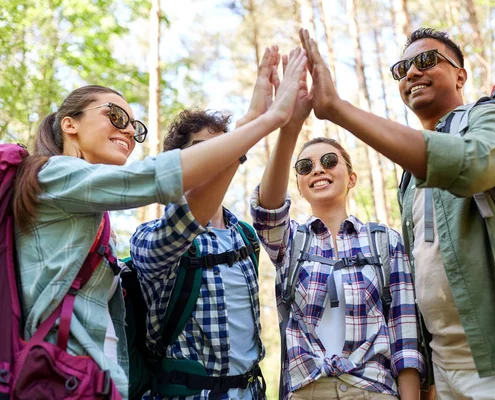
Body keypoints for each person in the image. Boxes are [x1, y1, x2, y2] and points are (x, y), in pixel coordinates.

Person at [298, 26, 495, 399]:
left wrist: (338, 109)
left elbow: (470, 165)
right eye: (402, 69)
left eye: (426, 60)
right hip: (447, 368)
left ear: (460, 75)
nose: (412, 72)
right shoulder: (408, 178)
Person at [13, 46, 306, 399]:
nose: (128, 133)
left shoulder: (89, 212)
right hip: (61, 381)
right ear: (69, 123)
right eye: (115, 117)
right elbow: (159, 184)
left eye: (134, 127)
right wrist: (266, 119)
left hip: (90, 383)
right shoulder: (54, 175)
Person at [250, 51, 424, 400]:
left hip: (374, 391)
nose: (318, 169)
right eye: (305, 167)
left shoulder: (384, 242)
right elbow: (267, 211)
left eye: (329, 161)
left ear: (352, 177)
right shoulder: (290, 243)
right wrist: (290, 127)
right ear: (298, 185)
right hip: (305, 391)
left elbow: (405, 337)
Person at [128, 46, 285, 400]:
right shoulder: (148, 238)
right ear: (176, 165)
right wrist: (250, 127)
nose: (214, 159)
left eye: (222, 149)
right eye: (202, 151)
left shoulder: (244, 235)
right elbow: (183, 224)